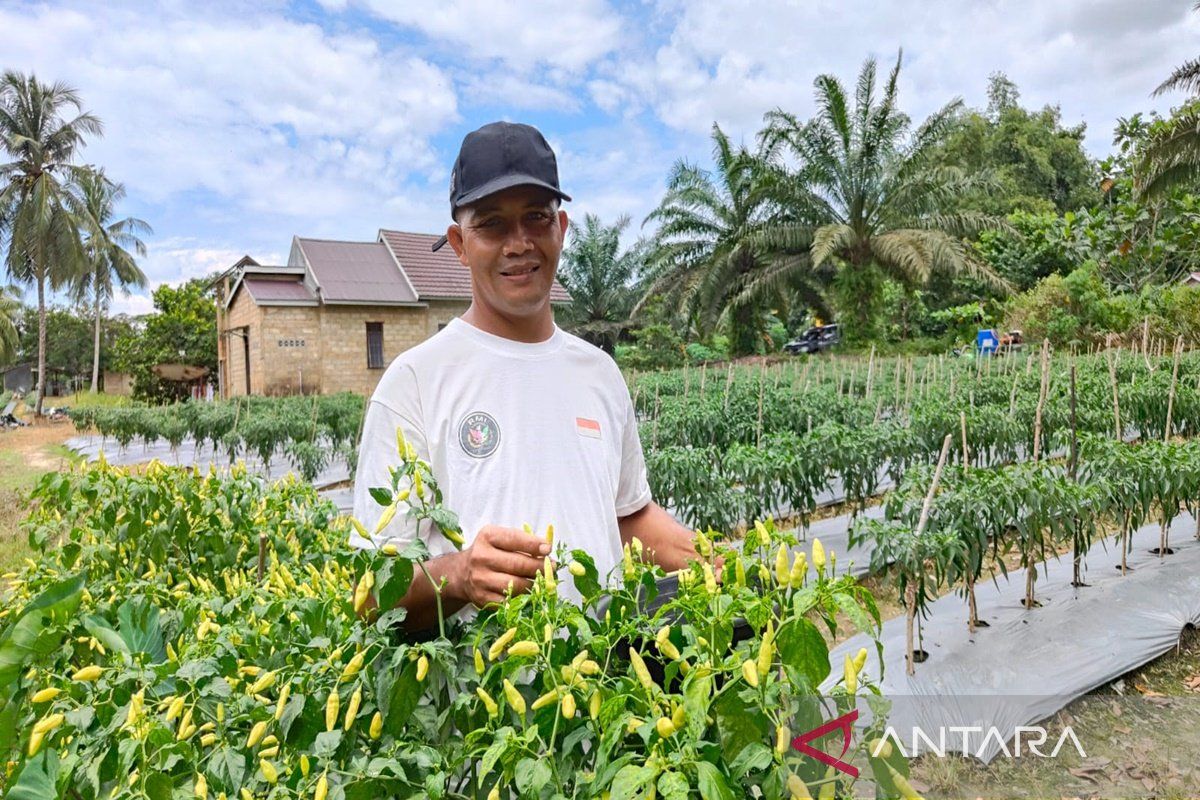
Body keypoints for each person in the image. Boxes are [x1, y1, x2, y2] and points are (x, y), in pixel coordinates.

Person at [351, 121, 703, 632]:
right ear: (459, 243)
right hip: (482, 707)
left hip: (607, 691)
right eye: (492, 224)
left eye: (536, 218)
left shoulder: (599, 373)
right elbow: (368, 593)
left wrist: (716, 563)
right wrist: (460, 574)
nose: (519, 243)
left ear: (561, 229)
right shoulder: (415, 384)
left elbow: (629, 517)